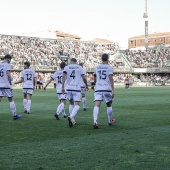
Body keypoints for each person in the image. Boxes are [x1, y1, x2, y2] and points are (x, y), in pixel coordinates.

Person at [62, 58, 88, 127]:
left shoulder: (66, 67)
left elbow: (63, 76)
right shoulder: (79, 67)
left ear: (70, 62)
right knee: (77, 104)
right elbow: (83, 77)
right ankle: (71, 117)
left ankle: (72, 120)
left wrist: (62, 87)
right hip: (76, 88)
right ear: (76, 62)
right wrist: (86, 85)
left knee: (71, 103)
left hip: (68, 88)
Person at [93, 53, 115, 129]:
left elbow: (95, 78)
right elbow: (111, 78)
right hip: (107, 88)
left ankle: (95, 122)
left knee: (97, 105)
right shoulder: (109, 67)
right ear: (107, 59)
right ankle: (109, 121)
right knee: (109, 105)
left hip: (98, 88)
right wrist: (113, 90)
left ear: (101, 59)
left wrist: (96, 85)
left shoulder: (97, 67)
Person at [0, 54, 22, 120]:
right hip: (6, 85)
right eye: (10, 59)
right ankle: (15, 115)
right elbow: (8, 74)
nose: (10, 61)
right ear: (8, 59)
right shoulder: (7, 65)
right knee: (11, 99)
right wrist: (10, 84)